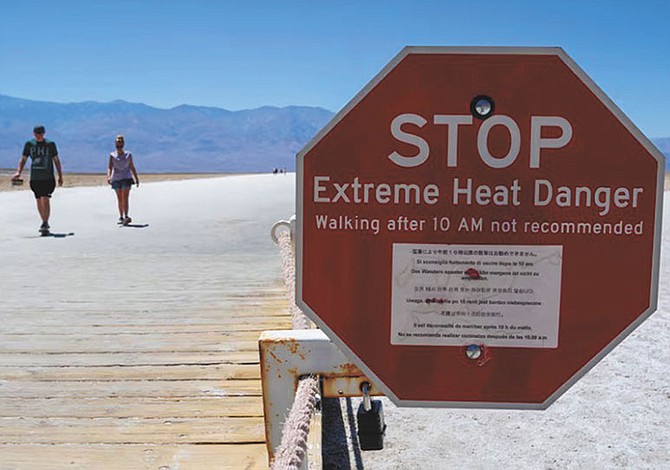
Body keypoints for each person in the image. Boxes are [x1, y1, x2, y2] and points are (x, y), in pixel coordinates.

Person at [12, 125, 63, 234]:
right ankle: (43, 220)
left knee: (45, 198)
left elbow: (56, 160)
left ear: (44, 133)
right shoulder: (29, 145)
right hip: (35, 177)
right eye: (37, 134)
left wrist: (60, 175)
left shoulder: (50, 144)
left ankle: (45, 222)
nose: (40, 136)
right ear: (34, 133)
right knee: (39, 199)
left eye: (41, 133)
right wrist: (18, 172)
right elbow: (23, 159)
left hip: (48, 177)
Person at [107, 135, 140, 225]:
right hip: (116, 178)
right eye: (117, 142)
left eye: (120, 142)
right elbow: (110, 167)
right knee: (119, 197)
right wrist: (108, 176)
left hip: (126, 177)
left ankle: (126, 216)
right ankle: (121, 216)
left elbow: (132, 167)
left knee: (125, 197)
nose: (119, 143)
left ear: (123, 143)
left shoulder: (128, 155)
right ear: (115, 143)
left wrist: (136, 178)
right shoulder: (112, 155)